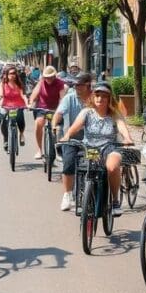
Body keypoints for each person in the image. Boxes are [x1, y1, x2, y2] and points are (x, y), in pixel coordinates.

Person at [61, 81, 134, 216]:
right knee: (84, 169)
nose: (100, 99)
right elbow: (75, 126)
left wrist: (127, 138)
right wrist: (67, 135)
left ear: (109, 98)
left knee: (112, 167)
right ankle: (84, 195)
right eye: (97, 95)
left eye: (104, 96)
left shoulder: (114, 114)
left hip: (109, 148)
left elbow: (122, 126)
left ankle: (115, 201)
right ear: (93, 98)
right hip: (90, 148)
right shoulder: (86, 112)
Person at [54, 72, 93, 211]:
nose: (76, 87)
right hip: (71, 139)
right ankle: (67, 194)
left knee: (96, 166)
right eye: (75, 84)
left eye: (79, 84)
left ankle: (95, 191)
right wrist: (54, 125)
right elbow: (58, 113)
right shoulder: (69, 98)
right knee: (68, 164)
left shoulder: (96, 98)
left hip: (91, 141)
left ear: (89, 85)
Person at [28, 65, 66, 160]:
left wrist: (61, 109)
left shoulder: (60, 83)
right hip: (43, 108)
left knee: (58, 129)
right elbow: (34, 94)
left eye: (50, 77)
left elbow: (62, 97)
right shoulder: (41, 83)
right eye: (46, 77)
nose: (48, 79)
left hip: (56, 109)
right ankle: (39, 150)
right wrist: (31, 103)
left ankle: (58, 151)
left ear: (54, 76)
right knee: (38, 124)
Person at [0, 64, 29, 149]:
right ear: (6, 74)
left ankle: (21, 134)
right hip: (6, 106)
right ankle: (5, 139)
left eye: (14, 73)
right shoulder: (3, 84)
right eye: (11, 73)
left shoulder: (19, 84)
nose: (13, 75)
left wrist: (27, 104)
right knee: (3, 120)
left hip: (18, 105)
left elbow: (23, 95)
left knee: (20, 119)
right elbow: (0, 95)